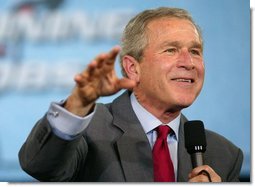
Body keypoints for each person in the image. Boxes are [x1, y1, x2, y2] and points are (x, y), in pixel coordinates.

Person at [19, 7, 243, 182]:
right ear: (133, 68)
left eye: (195, 51)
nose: (188, 62)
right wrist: (78, 103)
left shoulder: (224, 154)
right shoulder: (89, 131)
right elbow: (40, 167)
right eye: (171, 50)